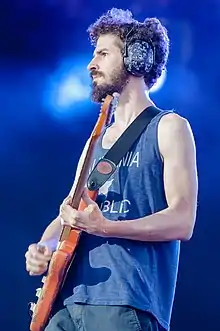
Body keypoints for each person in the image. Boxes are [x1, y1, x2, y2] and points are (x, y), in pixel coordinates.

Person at [25, 8, 198, 331]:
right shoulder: (96, 140)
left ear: (137, 58)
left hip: (126, 302)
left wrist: (105, 227)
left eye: (103, 53)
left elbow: (182, 220)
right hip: (68, 303)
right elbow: (69, 212)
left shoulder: (169, 127)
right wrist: (44, 248)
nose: (92, 64)